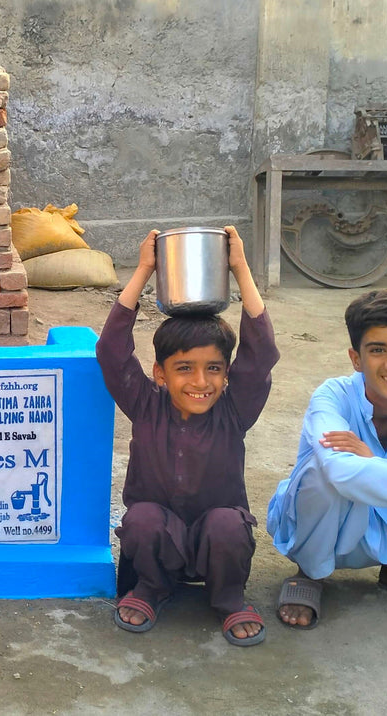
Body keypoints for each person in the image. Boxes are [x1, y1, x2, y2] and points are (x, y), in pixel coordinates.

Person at [95, 226, 279, 646]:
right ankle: (151, 588)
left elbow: (261, 354)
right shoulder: (145, 405)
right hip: (158, 543)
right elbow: (111, 351)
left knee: (228, 524)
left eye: (214, 368)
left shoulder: (234, 411)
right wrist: (144, 270)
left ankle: (229, 598)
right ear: (159, 374)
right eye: (184, 369)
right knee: (141, 518)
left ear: (227, 373)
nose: (201, 381)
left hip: (220, 546)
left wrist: (240, 268)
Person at [268, 288, 387, 628]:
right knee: (323, 471)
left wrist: (373, 460)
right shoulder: (333, 395)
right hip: (333, 526)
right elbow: (340, 472)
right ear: (356, 358)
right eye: (377, 350)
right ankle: (310, 572)